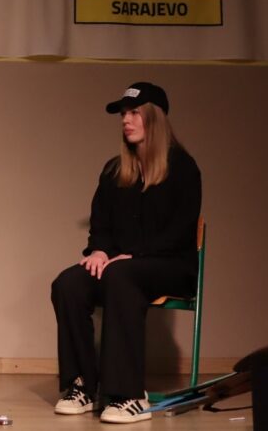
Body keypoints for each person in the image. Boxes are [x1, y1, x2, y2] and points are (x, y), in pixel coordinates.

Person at [50, 82, 201, 424]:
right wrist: (99, 250)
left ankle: (128, 393)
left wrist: (135, 255)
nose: (126, 120)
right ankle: (82, 386)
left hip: (169, 265)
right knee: (68, 283)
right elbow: (101, 223)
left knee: (120, 275)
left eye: (134, 113)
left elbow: (180, 231)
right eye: (123, 114)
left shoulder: (183, 168)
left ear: (154, 118)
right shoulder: (114, 170)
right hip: (121, 267)